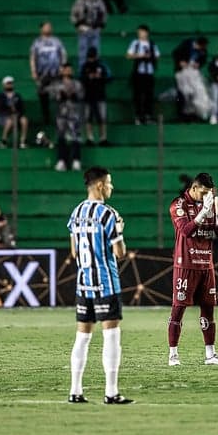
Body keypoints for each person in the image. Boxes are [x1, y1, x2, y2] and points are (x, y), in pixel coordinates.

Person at [66, 167, 133, 404]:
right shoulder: (108, 214)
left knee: (82, 337)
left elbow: (74, 252)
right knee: (111, 335)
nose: (111, 187)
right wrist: (121, 231)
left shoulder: (76, 213)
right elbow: (120, 252)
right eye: (109, 183)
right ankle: (111, 392)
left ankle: (75, 391)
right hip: (105, 283)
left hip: (83, 284)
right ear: (100, 185)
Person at [167, 173, 218, 366]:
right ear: (194, 189)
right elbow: (186, 231)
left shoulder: (210, 203)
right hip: (185, 265)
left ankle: (210, 355)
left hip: (206, 264)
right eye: (203, 193)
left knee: (208, 309)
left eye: (208, 193)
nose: (206, 197)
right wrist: (203, 211)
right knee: (178, 310)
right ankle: (173, 355)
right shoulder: (178, 205)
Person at [29, 21, 68, 128]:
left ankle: (60, 118)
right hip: (42, 74)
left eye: (50, 26)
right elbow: (33, 57)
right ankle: (46, 118)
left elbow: (63, 54)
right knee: (43, 96)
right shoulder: (37, 42)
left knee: (59, 96)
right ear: (41, 29)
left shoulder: (56, 41)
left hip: (55, 74)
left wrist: (63, 67)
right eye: (46, 26)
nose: (49, 28)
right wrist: (33, 71)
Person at [51, 63, 84, 172]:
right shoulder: (57, 84)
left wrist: (74, 95)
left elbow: (81, 95)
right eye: (65, 69)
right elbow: (54, 96)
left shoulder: (77, 84)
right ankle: (62, 160)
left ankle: (76, 160)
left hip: (74, 114)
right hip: (61, 114)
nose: (68, 72)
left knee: (75, 137)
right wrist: (61, 95)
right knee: (61, 137)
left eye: (69, 69)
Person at [126, 24, 160, 125]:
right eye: (139, 32)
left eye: (141, 32)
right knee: (138, 95)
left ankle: (147, 115)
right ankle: (138, 116)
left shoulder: (152, 44)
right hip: (139, 72)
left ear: (146, 32)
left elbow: (157, 56)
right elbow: (128, 55)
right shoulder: (135, 43)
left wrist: (150, 56)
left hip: (149, 72)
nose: (140, 34)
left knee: (149, 95)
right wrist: (140, 56)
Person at [70, 0, 107, 70]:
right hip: (83, 29)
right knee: (83, 53)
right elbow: (73, 14)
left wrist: (101, 25)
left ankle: (95, 72)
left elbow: (103, 13)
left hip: (95, 28)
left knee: (96, 52)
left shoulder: (98, 0)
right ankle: (82, 73)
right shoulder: (79, 1)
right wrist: (77, 25)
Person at [80, 46, 112, 146]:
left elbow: (110, 77)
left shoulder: (102, 66)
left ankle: (103, 138)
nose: (91, 59)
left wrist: (100, 77)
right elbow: (80, 79)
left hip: (100, 95)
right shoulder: (85, 66)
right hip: (88, 95)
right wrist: (89, 77)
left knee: (102, 117)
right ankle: (90, 138)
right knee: (88, 117)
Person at [0, 76, 29, 149]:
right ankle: (3, 140)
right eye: (8, 83)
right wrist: (10, 112)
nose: (10, 85)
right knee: (9, 121)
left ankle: (23, 141)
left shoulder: (17, 96)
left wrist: (17, 114)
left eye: (11, 83)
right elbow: (0, 108)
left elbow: (22, 108)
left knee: (24, 120)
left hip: (17, 116)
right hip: (4, 116)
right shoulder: (0, 96)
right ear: (4, 85)